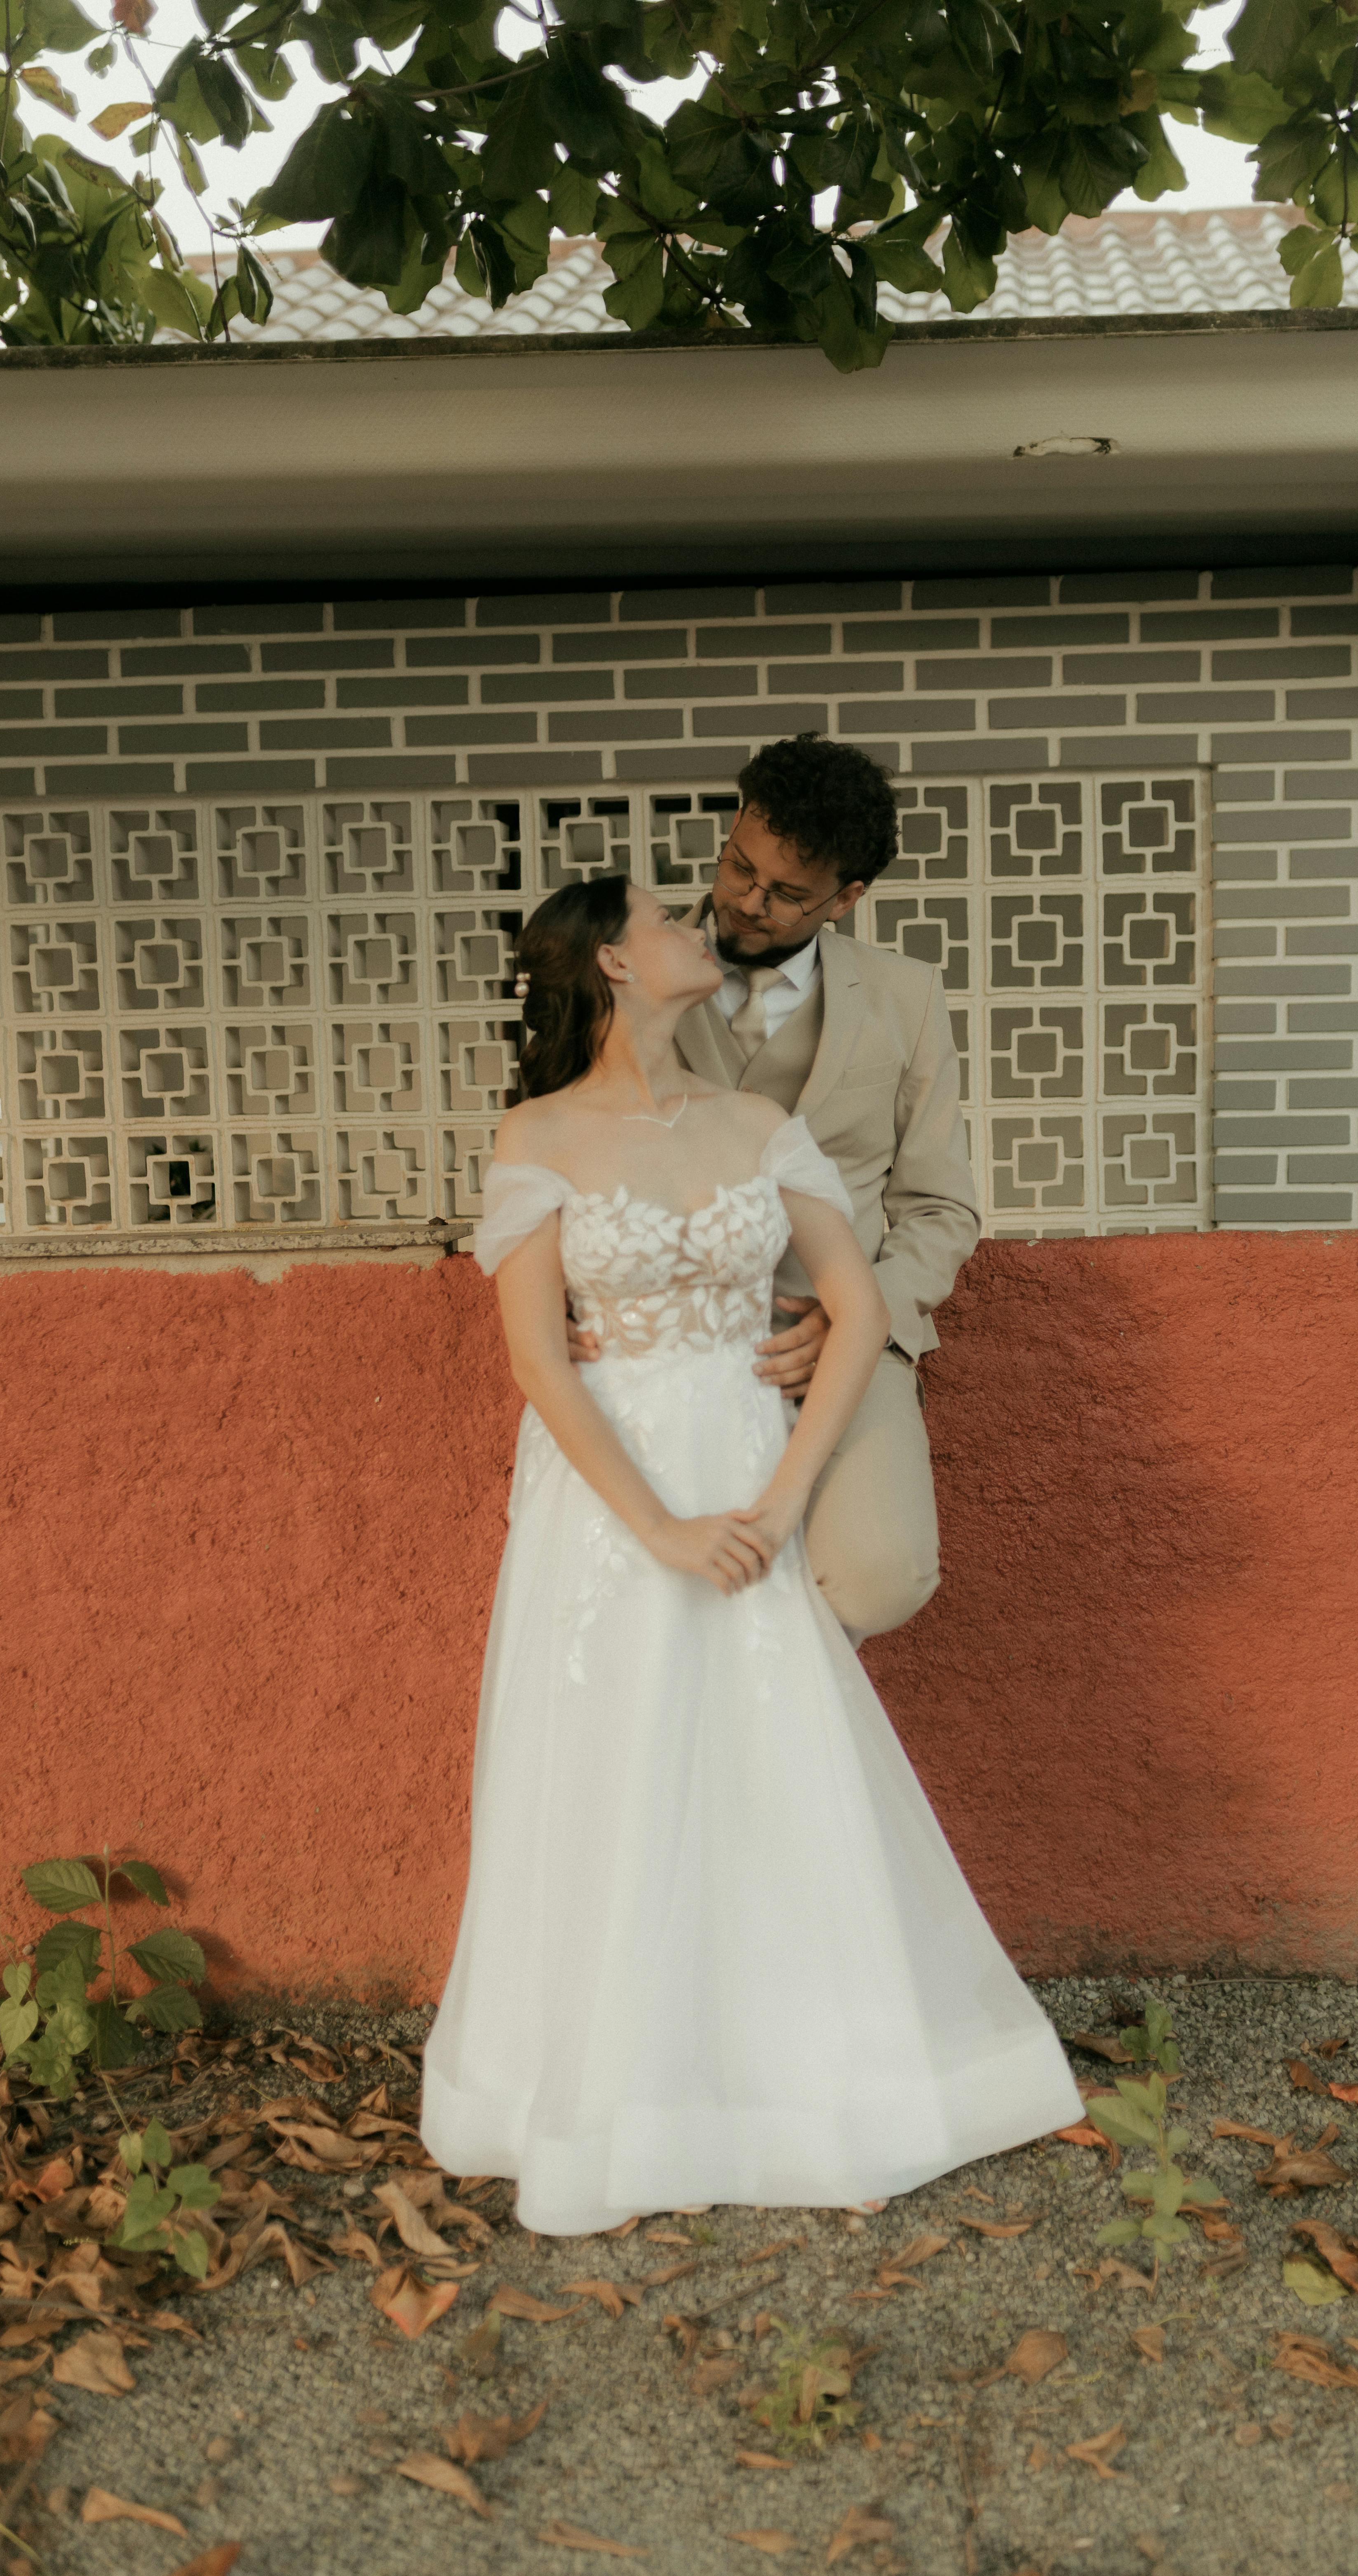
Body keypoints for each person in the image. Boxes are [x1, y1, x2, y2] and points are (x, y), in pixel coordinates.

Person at [418, 870, 1083, 2237]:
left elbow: (854, 1310)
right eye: (664, 920)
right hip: (611, 1494)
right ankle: (611, 2095)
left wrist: (780, 1503)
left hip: (741, 1452)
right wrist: (658, 1526)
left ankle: (810, 2081)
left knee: (772, 1756)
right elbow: (540, 1363)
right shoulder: (537, 1134)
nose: (694, 929)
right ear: (614, 964)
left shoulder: (759, 1125)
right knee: (613, 1765)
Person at [566, 733, 979, 1645]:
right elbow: (563, 1143)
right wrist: (572, 1290)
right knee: (652, 1594)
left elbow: (942, 1205)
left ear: (847, 897)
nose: (748, 902)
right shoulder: (630, 960)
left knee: (880, 1575)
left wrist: (860, 1310)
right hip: (670, 1335)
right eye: (739, 866)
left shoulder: (907, 998)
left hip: (846, 1335)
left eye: (788, 893)